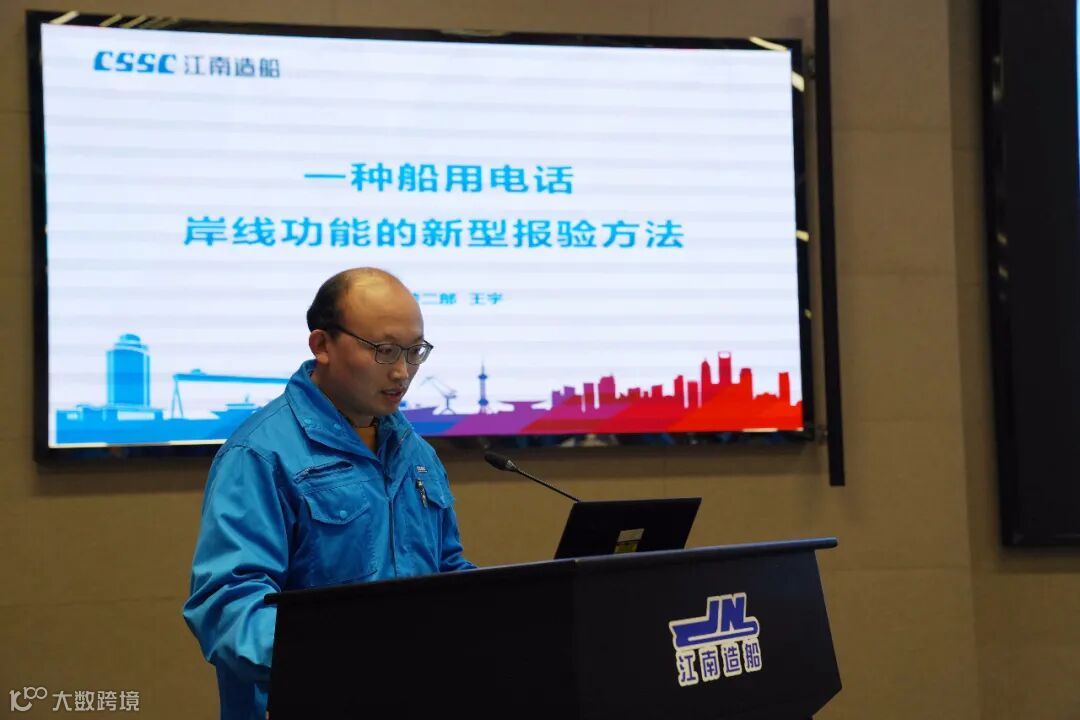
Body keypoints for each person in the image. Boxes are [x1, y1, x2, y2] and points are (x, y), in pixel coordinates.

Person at [183, 268, 474, 720]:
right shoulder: (260, 454)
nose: (402, 371)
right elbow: (229, 608)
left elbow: (448, 571)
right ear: (321, 345)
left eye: (414, 351)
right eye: (384, 350)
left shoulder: (415, 451)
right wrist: (351, 663)